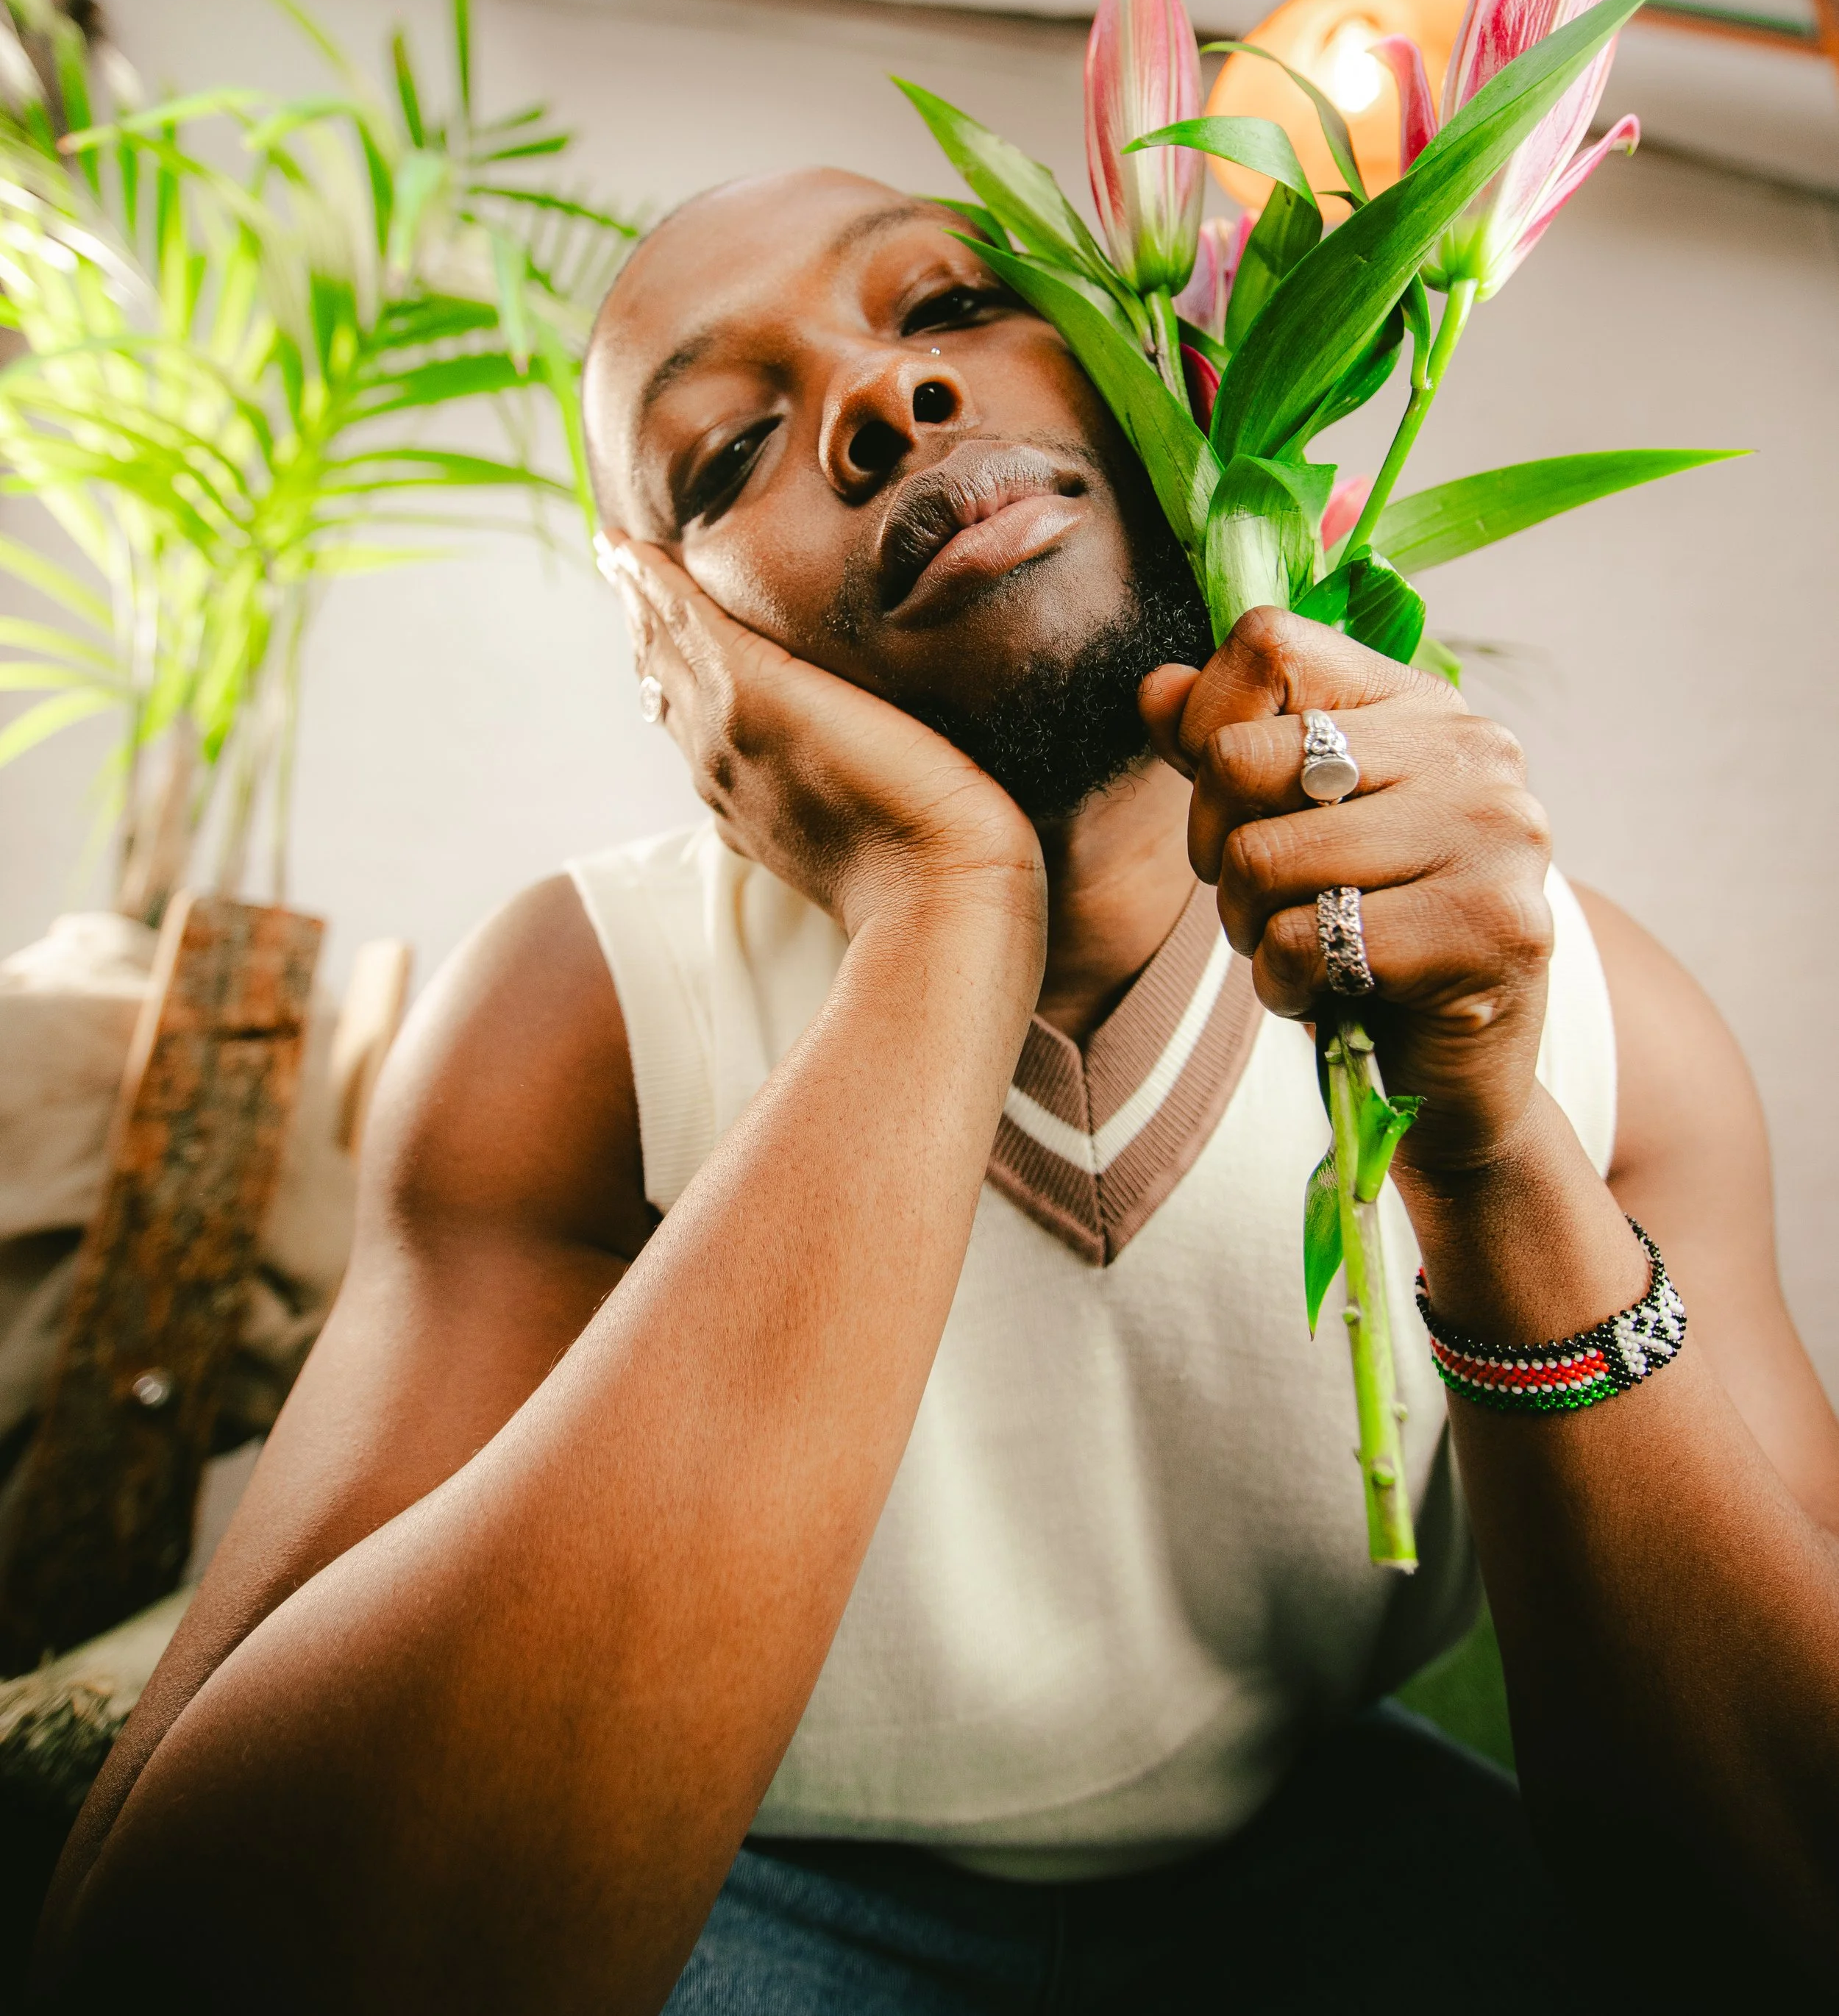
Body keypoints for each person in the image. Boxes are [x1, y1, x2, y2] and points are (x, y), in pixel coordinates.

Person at [35, 169, 1839, 2012]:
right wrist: (939, 908)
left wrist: (1488, 1149)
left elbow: (1780, 1904)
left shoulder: (1577, 1008)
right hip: (729, 1887)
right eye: (726, 448)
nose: (880, 397)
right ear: (677, 642)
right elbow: (175, 1945)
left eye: (953, 303)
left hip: (1320, 1855)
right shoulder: (587, 1015)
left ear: (1167, 378)